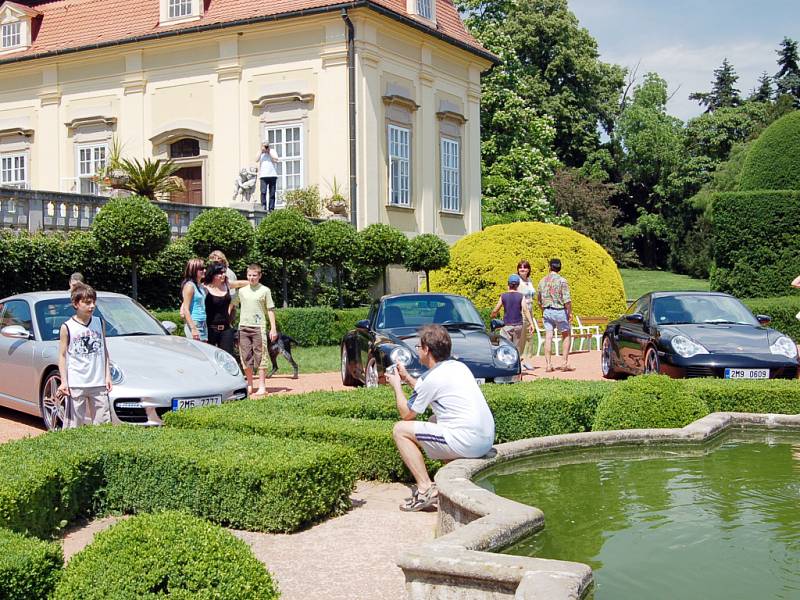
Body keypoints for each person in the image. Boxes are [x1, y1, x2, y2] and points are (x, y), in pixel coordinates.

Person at [385, 325, 495, 512]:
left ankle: (425, 490)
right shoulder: (459, 367)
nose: (418, 351)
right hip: (485, 438)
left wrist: (396, 385)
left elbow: (407, 414)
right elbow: (428, 390)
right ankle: (452, 483)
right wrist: (408, 378)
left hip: (469, 441)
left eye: (419, 347)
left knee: (400, 430)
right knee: (435, 420)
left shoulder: (432, 377)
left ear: (427, 349)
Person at [57, 284, 112, 427]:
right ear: (76, 304)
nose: (92, 306)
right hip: (76, 383)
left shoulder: (100, 322)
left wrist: (107, 375)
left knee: (103, 425)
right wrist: (64, 381)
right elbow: (62, 355)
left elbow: (104, 349)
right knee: (73, 426)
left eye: (93, 302)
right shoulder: (67, 326)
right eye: (87, 303)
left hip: (98, 382)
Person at [233, 264, 278, 397]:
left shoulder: (265, 290)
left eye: (254, 275)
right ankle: (250, 385)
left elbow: (270, 309)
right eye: (249, 275)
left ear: (259, 276)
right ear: (247, 276)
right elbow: (232, 304)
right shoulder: (241, 291)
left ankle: (262, 386)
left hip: (259, 327)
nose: (252, 278)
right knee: (245, 356)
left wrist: (273, 328)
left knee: (261, 355)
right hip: (243, 327)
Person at [537, 258, 574, 372]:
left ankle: (548, 364)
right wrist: (570, 312)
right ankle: (564, 363)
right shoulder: (562, 281)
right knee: (566, 335)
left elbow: (539, 299)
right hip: (559, 311)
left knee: (548, 336)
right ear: (560, 267)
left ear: (550, 267)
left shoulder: (542, 281)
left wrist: (543, 310)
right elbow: (567, 300)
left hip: (547, 311)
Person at [490, 274, 533, 367]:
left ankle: (505, 364)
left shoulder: (503, 296)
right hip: (518, 325)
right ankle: (516, 365)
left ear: (508, 285)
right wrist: (531, 323)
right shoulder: (521, 296)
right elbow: (525, 310)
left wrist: (493, 316)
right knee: (516, 346)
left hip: (506, 325)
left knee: (504, 345)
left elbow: (496, 309)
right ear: (518, 286)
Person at [204, 262, 235, 355]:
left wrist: (253, 282)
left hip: (226, 328)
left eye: (224, 272)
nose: (223, 275)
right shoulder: (205, 288)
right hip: (210, 329)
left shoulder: (227, 285)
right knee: (209, 356)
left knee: (227, 356)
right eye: (220, 273)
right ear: (213, 274)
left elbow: (242, 283)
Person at [180, 258, 207, 342]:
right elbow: (186, 309)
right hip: (194, 322)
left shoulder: (201, 286)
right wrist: (193, 328)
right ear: (193, 270)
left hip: (202, 322)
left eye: (204, 268)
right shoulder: (189, 286)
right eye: (201, 269)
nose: (204, 270)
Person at [516, 260, 536, 370]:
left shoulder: (529, 280)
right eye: (520, 267)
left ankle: (527, 359)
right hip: (521, 311)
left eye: (524, 267)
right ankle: (520, 359)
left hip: (530, 309)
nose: (522, 269)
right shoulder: (517, 281)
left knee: (529, 336)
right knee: (521, 336)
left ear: (528, 269)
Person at [256, 142, 280, 212]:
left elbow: (276, 159)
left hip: (272, 175)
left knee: (272, 193)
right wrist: (261, 151)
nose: (265, 147)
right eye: (264, 146)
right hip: (263, 175)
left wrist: (269, 151)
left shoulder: (272, 151)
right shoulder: (260, 153)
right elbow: (256, 159)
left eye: (266, 146)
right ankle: (263, 206)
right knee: (263, 192)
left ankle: (271, 208)